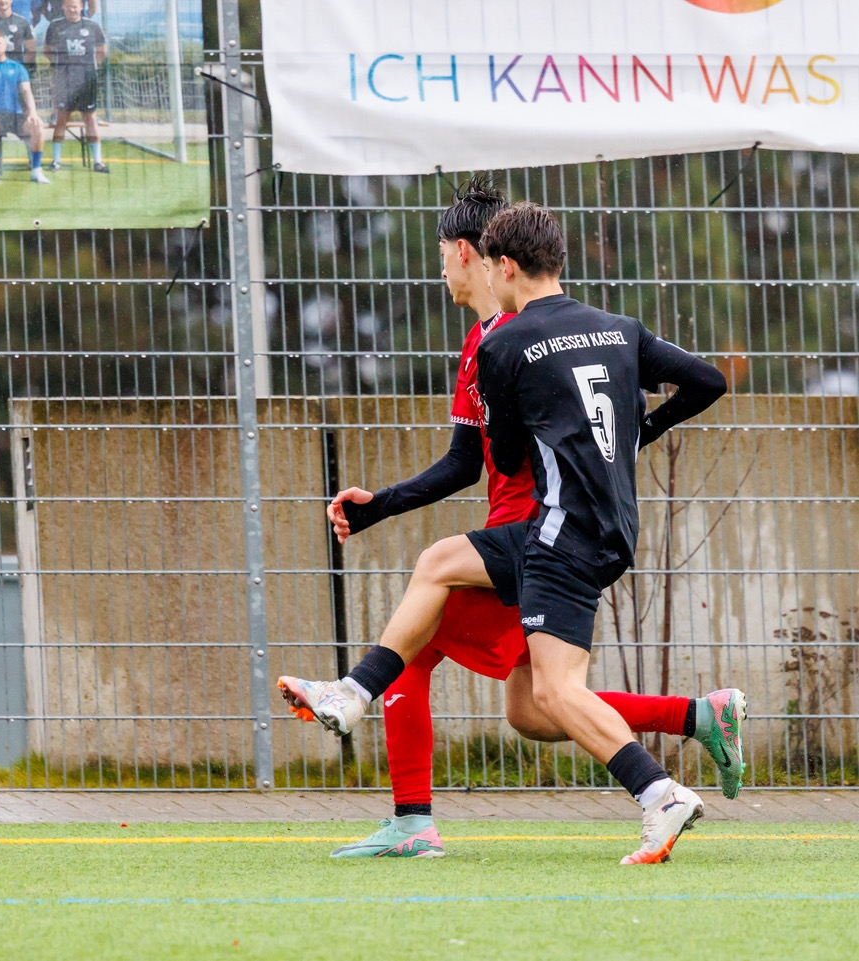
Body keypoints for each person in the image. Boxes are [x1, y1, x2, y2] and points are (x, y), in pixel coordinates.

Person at [298, 179, 747, 859]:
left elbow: (500, 456)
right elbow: (704, 380)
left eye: (448, 256)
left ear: (489, 260)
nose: (446, 270)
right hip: (600, 531)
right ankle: (690, 728)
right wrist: (630, 435)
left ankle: (390, 770)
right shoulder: (612, 329)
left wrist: (543, 427)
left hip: (549, 532)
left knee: (446, 635)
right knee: (535, 706)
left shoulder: (503, 346)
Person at [0, 27, 46, 183]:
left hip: (16, 115)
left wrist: (33, 112)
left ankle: (36, 170)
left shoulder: (17, 67)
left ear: (5, 45)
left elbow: (26, 91)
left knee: (37, 128)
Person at [42, 0, 104, 172]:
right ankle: (56, 161)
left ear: (81, 7)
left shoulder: (92, 26)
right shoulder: (55, 26)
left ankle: (98, 161)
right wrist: (61, 67)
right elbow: (47, 50)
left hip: (87, 80)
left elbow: (102, 49)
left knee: (90, 118)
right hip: (65, 80)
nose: (72, 9)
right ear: (63, 7)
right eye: (68, 6)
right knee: (61, 118)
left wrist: (90, 68)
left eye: (75, 6)